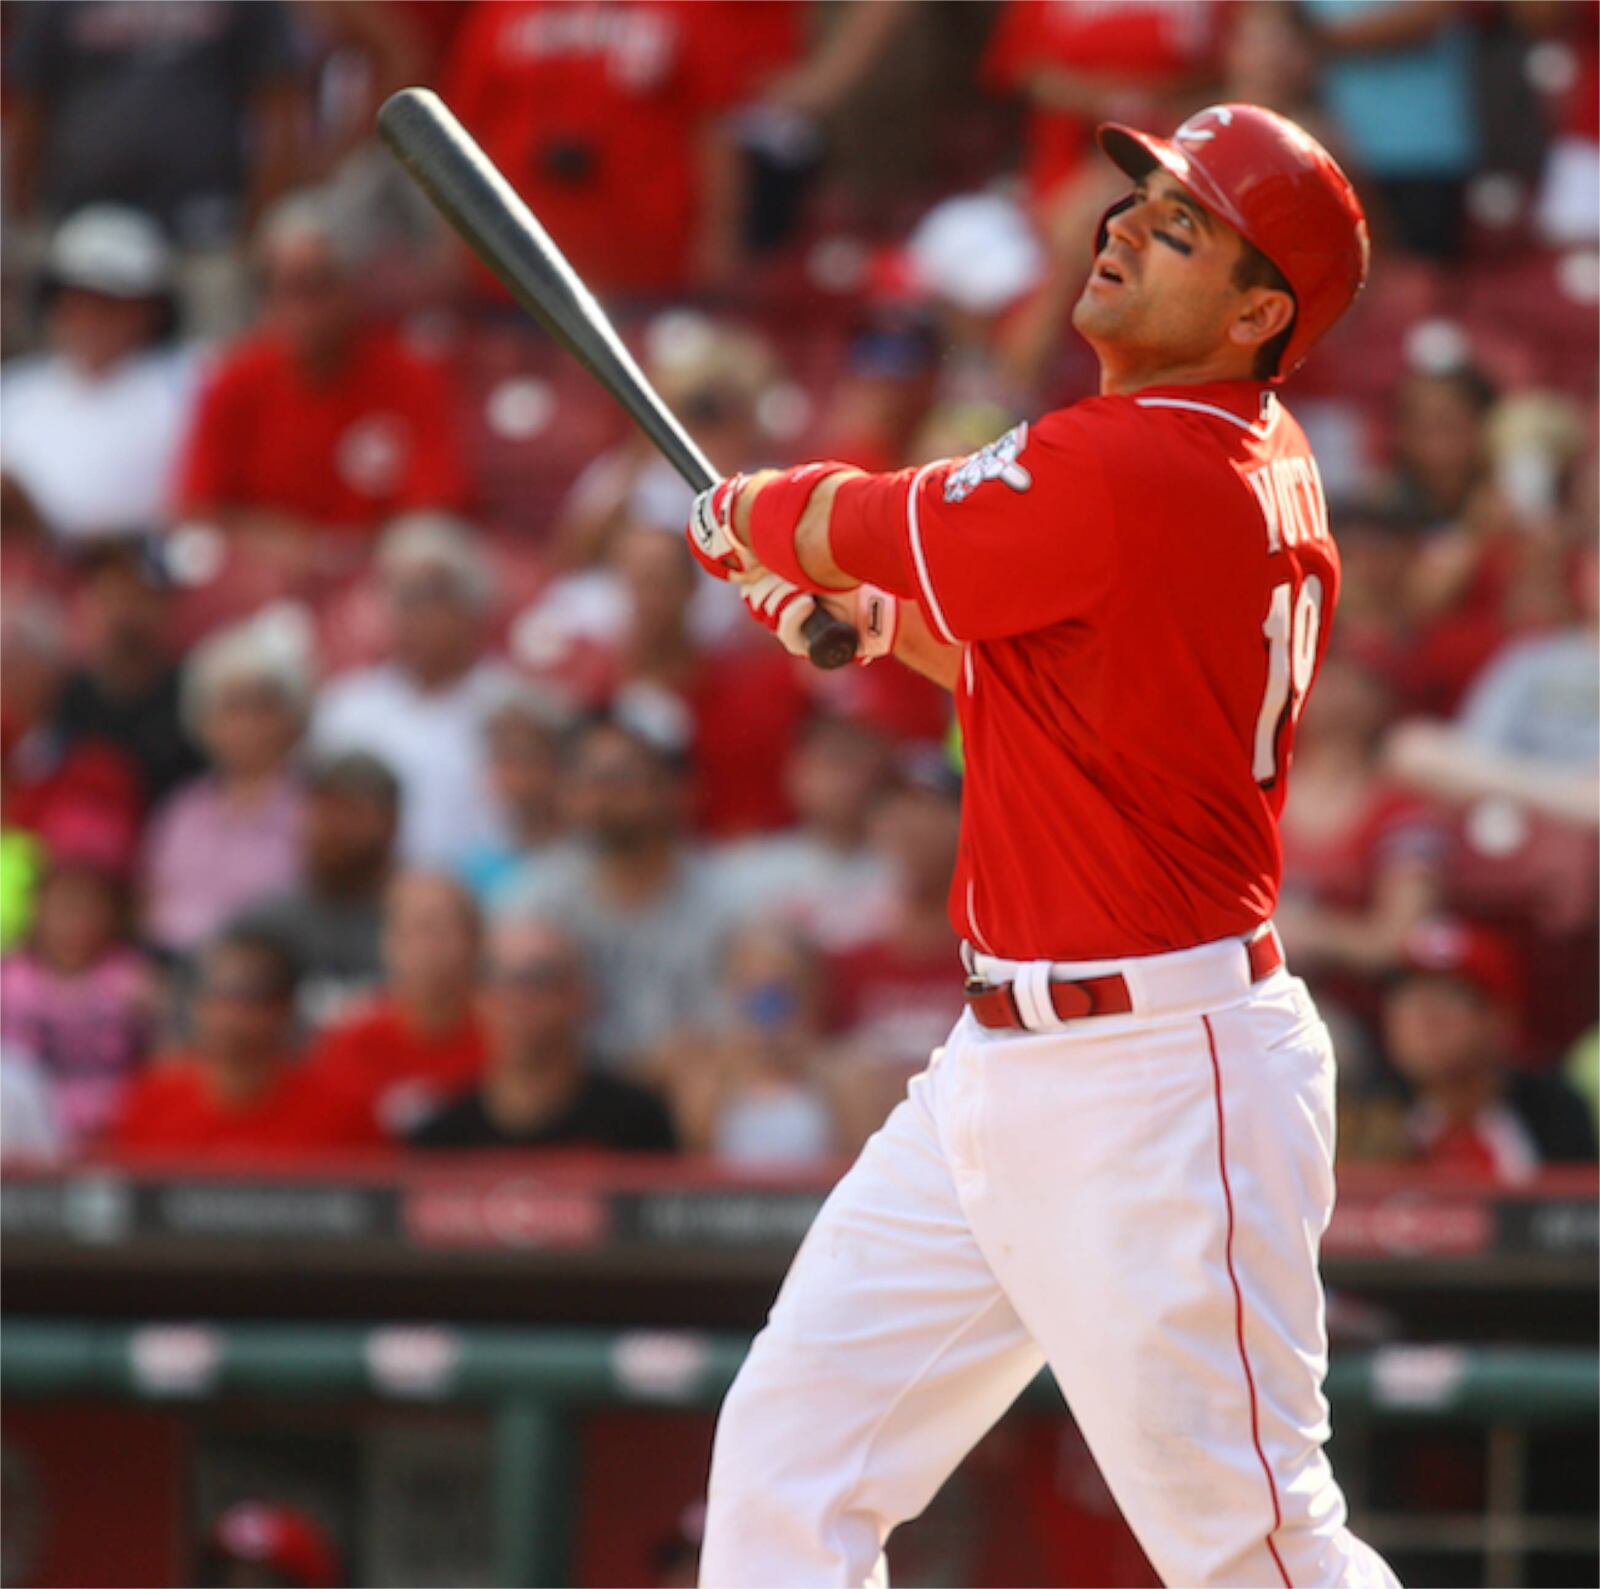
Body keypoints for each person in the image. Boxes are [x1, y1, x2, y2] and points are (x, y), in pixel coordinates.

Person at [685, 104, 1397, 1586]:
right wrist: (877, 618)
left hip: (1157, 1073)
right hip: (1006, 1064)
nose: (1125, 227)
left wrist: (746, 514)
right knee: (789, 1462)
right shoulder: (1227, 451)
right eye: (1139, 202)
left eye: (1182, 226)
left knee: (1254, 1550)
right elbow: (1063, 666)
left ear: (1261, 311)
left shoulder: (1144, 462)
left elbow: (852, 516)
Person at [174, 190, 469, 575]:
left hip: (374, 579)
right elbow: (198, 511)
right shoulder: (234, 379)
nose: (301, 310)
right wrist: (289, 546)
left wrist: (341, 554)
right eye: (282, 288)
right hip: (265, 577)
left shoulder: (409, 374)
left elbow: (433, 508)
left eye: (317, 286)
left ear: (352, 287)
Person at [496, 714, 737, 1076]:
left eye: (620, 778)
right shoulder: (536, 897)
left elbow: (734, 1037)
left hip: (687, 1094)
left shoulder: (724, 902)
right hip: (570, 1096)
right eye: (587, 779)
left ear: (672, 788)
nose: (602, 795)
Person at [310, 515, 518, 868]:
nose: (412, 615)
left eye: (429, 597)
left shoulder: (512, 708)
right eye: (400, 598)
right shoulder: (347, 708)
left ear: (472, 606)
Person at [0, 205, 199, 544]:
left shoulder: (189, 381)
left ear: (151, 309)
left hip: (140, 573)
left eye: (109, 302)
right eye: (76, 300)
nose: (89, 317)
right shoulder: (15, 389)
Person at [409, 918, 677, 1153]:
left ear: (580, 996)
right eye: (497, 979)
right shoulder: (438, 1142)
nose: (517, 999)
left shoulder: (639, 1124)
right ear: (475, 998)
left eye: (540, 979)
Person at [108, 925, 376, 1160]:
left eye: (249, 997)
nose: (229, 1014)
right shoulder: (150, 1100)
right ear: (195, 1005)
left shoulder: (342, 1112)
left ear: (285, 1008)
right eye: (217, 995)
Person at [141, 613, 311, 956]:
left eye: (262, 707)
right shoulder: (182, 810)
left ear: (293, 718)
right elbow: (149, 905)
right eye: (231, 708)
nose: (247, 724)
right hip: (178, 972)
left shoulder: (312, 811)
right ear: (203, 724)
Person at [1382, 919, 1597, 1179]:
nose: (1424, 1017)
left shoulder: (1555, 1116)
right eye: (1408, 998)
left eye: (1450, 996)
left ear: (1501, 1020)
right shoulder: (1361, 1113)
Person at [306, 871, 488, 1140]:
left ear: (475, 942)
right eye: (412, 930)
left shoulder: (504, 1033)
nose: (427, 947)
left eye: (441, 929)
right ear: (387, 944)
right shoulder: (351, 1042)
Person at [0, 852, 155, 1149]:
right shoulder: (9, 979)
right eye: (62, 908)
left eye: (87, 909)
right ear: (36, 912)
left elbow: (160, 1065)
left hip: (118, 1122)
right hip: (27, 1126)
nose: (73, 921)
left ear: (113, 915)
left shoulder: (135, 979)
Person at [239, 751, 400, 1029]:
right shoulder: (269, 923)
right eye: (324, 810)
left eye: (352, 811)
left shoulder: (419, 922)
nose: (334, 828)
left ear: (391, 822)